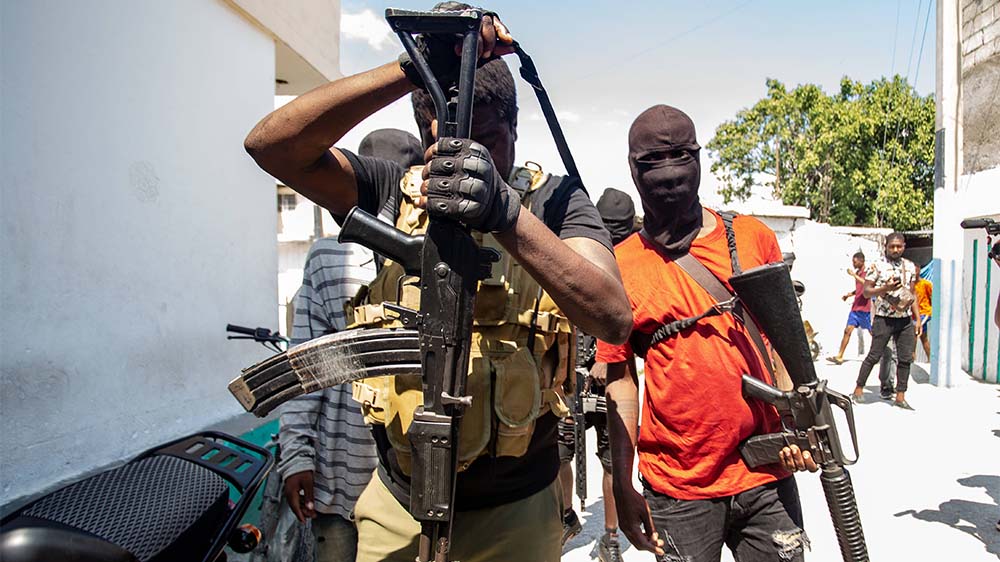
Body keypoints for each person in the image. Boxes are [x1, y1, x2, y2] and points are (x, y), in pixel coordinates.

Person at [243, 5, 632, 561]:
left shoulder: (554, 201)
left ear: (516, 130)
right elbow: (271, 146)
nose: (475, 158)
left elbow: (612, 313)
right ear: (429, 133)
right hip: (399, 504)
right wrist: (415, 66)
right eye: (456, 143)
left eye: (491, 141)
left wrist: (503, 210)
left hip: (516, 510)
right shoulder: (392, 191)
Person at [600, 105, 815, 562]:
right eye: (653, 162)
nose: (669, 174)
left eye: (680, 156)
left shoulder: (752, 237)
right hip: (677, 486)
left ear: (699, 160)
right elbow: (620, 377)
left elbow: (782, 346)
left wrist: (797, 424)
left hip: (765, 469)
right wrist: (621, 481)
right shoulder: (619, 265)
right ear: (634, 172)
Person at [276, 129, 423, 561]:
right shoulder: (329, 258)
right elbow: (304, 367)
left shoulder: (434, 258)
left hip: (410, 477)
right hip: (340, 482)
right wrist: (296, 455)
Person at [557, 188, 636, 561]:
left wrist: (607, 358)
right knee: (558, 453)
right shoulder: (578, 253)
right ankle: (565, 517)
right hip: (571, 376)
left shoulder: (633, 264)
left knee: (611, 460)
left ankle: (609, 536)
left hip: (611, 377)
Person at [851, 233, 920, 409]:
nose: (895, 249)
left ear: (904, 246)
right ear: (886, 247)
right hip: (884, 318)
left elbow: (912, 295)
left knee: (905, 359)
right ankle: (858, 389)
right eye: (892, 246)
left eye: (899, 246)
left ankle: (900, 396)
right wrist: (886, 288)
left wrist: (917, 319)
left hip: (904, 320)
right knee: (874, 355)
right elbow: (866, 292)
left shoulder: (910, 267)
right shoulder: (877, 266)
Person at [827, 252, 870, 365]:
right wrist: (850, 294)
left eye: (855, 262)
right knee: (847, 330)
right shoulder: (858, 273)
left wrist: (854, 276)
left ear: (861, 261)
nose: (853, 264)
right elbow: (860, 288)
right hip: (856, 307)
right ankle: (840, 356)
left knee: (873, 333)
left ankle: (881, 353)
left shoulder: (867, 273)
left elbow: (866, 284)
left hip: (866, 308)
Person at [914, 275, 932, 361]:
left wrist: (931, 311)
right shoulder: (911, 284)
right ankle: (930, 359)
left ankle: (911, 359)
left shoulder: (925, 284)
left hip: (924, 312)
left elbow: (933, 297)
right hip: (914, 314)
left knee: (914, 334)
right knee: (923, 338)